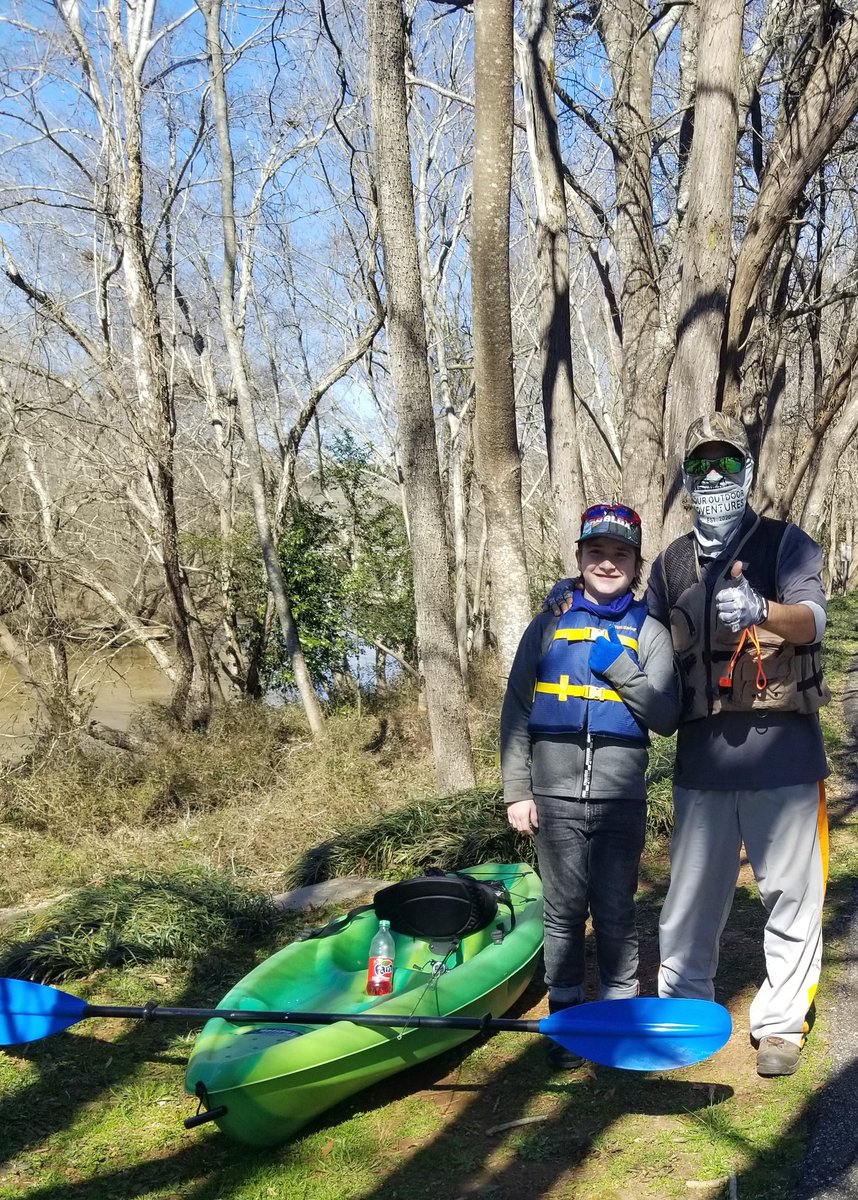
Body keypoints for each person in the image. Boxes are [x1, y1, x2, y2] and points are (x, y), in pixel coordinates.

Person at [650, 413, 830, 1077]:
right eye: (702, 464)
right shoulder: (669, 562)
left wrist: (762, 610)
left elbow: (813, 620)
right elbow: (647, 644)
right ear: (686, 475)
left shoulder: (786, 544)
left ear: (747, 469)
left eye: (728, 462)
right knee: (690, 900)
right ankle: (682, 1009)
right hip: (702, 764)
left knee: (791, 896)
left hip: (784, 757)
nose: (715, 475)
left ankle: (781, 1026)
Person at [501, 503, 680, 1069]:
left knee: (616, 911)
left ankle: (617, 1016)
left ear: (636, 564)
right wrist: (517, 791)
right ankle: (567, 1017)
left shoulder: (649, 633)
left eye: (620, 554)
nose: (608, 563)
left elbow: (668, 714)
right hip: (552, 796)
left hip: (620, 797)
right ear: (579, 559)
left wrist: (618, 668)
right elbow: (516, 710)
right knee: (561, 911)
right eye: (596, 553)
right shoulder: (548, 625)